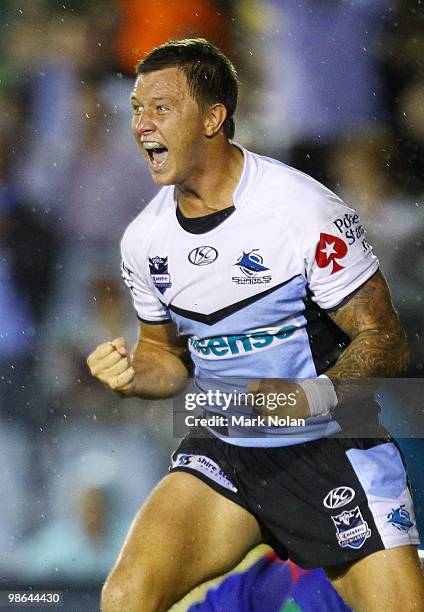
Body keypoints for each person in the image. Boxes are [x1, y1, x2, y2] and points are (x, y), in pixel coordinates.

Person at [87, 39, 424, 611]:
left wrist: (312, 398)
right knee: (125, 597)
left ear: (214, 118)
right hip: (227, 445)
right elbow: (165, 359)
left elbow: (386, 341)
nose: (142, 124)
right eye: (136, 110)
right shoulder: (143, 239)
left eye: (161, 108)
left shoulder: (302, 211)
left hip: (329, 450)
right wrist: (130, 373)